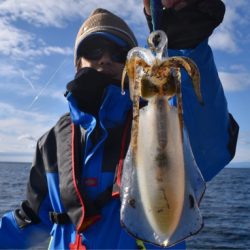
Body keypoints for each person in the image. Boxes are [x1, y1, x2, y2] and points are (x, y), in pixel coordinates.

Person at [0, 1, 239, 249]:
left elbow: (209, 146)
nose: (104, 59)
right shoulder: (52, 143)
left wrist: (187, 43)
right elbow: (32, 220)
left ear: (132, 67)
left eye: (117, 53)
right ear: (78, 63)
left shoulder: (157, 124)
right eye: (93, 50)